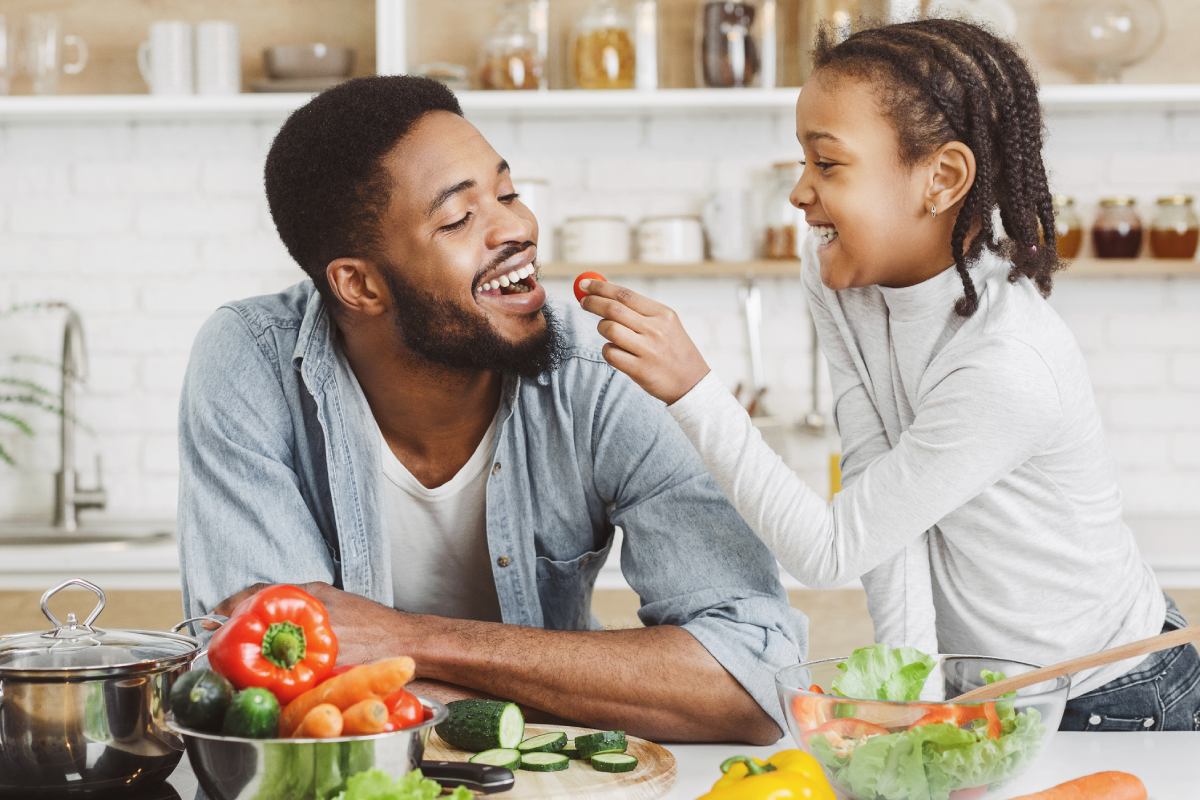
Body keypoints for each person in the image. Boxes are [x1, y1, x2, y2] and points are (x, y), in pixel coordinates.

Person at [577, 19, 1200, 731]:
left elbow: (829, 548)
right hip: (992, 697)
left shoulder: (1006, 362)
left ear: (940, 179)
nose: (800, 193)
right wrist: (915, 699)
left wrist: (693, 390)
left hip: (1112, 692)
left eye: (829, 164)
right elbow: (881, 509)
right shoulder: (841, 277)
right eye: (802, 161)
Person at [177, 75, 807, 745]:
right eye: (457, 219)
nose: (517, 227)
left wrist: (408, 640)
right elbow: (267, 693)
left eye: (507, 193)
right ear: (359, 284)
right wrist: (594, 691)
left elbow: (756, 683)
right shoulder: (252, 361)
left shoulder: (605, 373)